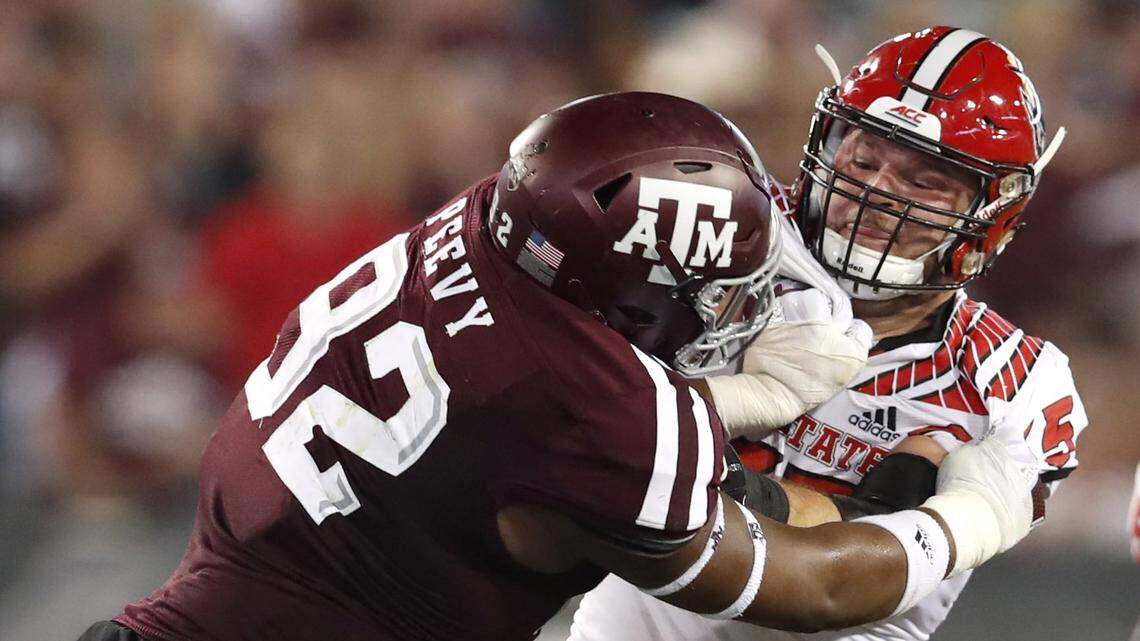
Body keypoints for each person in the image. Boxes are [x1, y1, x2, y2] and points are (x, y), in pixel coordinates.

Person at [79, 91, 1035, 641]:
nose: (737, 307)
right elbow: (806, 581)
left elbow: (520, 412)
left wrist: (739, 397)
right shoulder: (590, 413)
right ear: (636, 290)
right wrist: (965, 517)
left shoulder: (495, 214)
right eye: (718, 290)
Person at [569, 27, 1088, 641]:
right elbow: (556, 391)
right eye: (863, 160)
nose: (874, 194)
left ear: (990, 215)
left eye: (923, 183)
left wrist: (690, 440)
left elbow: (848, 570)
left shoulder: (1015, 381)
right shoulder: (725, 228)